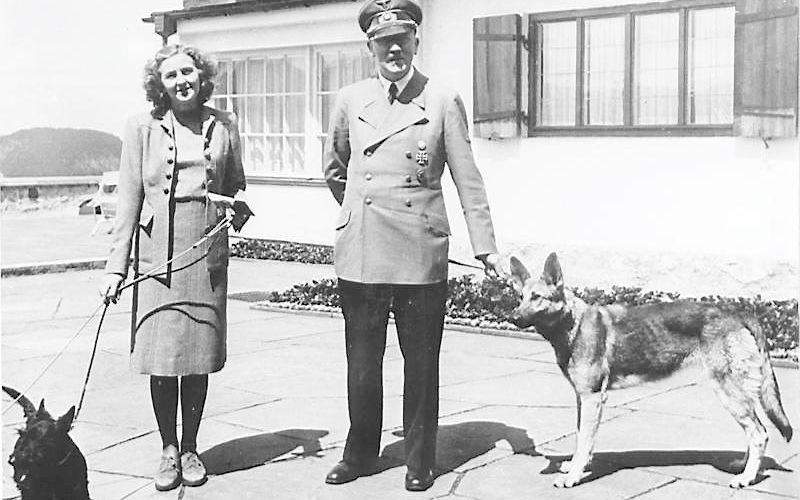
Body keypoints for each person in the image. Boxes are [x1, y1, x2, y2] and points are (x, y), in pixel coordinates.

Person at [323, 0, 502, 492]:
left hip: (419, 254)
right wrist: (362, 207)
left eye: (402, 39)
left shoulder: (441, 99)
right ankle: (359, 453)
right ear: (370, 48)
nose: (394, 49)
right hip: (362, 249)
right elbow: (335, 169)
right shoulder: (350, 99)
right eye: (383, 42)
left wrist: (485, 246)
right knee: (362, 363)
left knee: (421, 362)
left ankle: (420, 459)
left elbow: (468, 179)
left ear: (417, 42)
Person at [100, 44, 249, 491]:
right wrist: (115, 268)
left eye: (188, 71)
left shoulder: (225, 124)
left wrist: (238, 205)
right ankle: (167, 447)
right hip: (156, 252)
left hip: (205, 252)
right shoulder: (140, 127)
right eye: (171, 75)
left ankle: (190, 446)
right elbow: (128, 200)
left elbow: (236, 182)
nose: (182, 80)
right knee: (163, 359)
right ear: (159, 85)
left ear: (202, 76)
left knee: (198, 355)